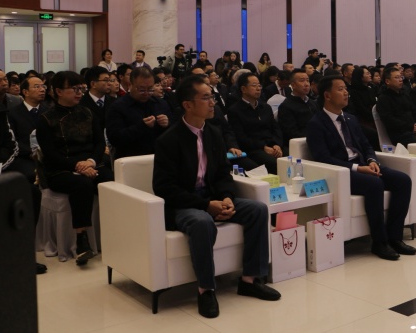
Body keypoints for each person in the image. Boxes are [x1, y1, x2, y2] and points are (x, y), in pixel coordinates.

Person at [152, 76, 281, 319]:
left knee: (258, 209)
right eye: (206, 98)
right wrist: (205, 205)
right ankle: (206, 289)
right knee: (202, 221)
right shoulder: (169, 140)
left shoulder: (213, 133)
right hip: (184, 204)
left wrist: (227, 197)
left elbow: (223, 173)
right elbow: (164, 188)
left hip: (212, 197)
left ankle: (250, 279)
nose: (213, 103)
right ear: (188, 105)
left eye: (212, 97)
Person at [306, 76, 416, 261]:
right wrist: (358, 168)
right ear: (327, 95)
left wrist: (372, 160)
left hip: (364, 165)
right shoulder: (316, 124)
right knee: (374, 184)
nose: (346, 92)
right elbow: (324, 158)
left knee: (403, 180)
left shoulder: (350, 119)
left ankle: (395, 237)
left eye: (345, 88)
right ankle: (379, 242)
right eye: (340, 89)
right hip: (342, 172)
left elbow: (366, 145)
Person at [37, 71, 114, 266]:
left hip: (90, 163)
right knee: (82, 185)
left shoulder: (87, 113)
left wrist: (91, 162)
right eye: (74, 89)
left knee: (110, 180)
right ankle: (81, 241)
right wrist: (77, 166)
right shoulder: (46, 119)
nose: (80, 93)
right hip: (60, 169)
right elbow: (50, 154)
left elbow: (99, 143)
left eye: (81, 88)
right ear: (58, 91)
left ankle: (115, 234)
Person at [3, 75, 47, 274]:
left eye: (43, 86)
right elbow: (12, 142)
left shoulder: (48, 110)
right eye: (37, 86)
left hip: (46, 156)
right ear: (25, 92)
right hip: (22, 158)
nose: (42, 89)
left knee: (35, 190)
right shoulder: (13, 113)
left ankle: (26, 251)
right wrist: (30, 152)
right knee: (29, 178)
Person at [106, 67, 173, 159]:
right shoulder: (118, 107)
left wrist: (167, 124)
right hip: (131, 158)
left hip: (159, 157)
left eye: (150, 89)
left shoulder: (161, 104)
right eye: (141, 89)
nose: (146, 93)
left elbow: (173, 133)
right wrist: (141, 127)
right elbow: (115, 139)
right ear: (130, 85)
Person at [227, 72, 283, 174]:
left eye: (259, 85)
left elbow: (275, 128)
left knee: (290, 158)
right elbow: (241, 137)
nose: (258, 88)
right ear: (243, 89)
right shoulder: (235, 110)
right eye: (254, 85)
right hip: (253, 149)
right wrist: (263, 147)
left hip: (271, 145)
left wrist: (276, 144)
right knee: (273, 163)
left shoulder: (265, 107)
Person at [376, 67, 416, 146]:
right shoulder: (383, 98)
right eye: (396, 77)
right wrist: (410, 126)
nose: (400, 80)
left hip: (412, 130)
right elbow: (390, 120)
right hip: (399, 134)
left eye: (401, 77)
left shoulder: (404, 94)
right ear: (387, 81)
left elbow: (414, 110)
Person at [277, 69, 318, 150]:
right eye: (302, 81)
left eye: (307, 80)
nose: (306, 84)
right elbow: (291, 133)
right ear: (293, 85)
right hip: (301, 145)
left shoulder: (313, 103)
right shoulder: (286, 106)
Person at [80, 66, 116, 132]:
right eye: (106, 80)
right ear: (93, 84)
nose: (109, 83)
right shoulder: (80, 104)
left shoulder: (114, 102)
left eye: (110, 80)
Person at [346, 67, 377, 131]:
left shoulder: (370, 89)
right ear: (361, 76)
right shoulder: (354, 92)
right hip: (362, 120)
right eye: (367, 73)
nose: (370, 75)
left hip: (374, 117)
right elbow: (361, 109)